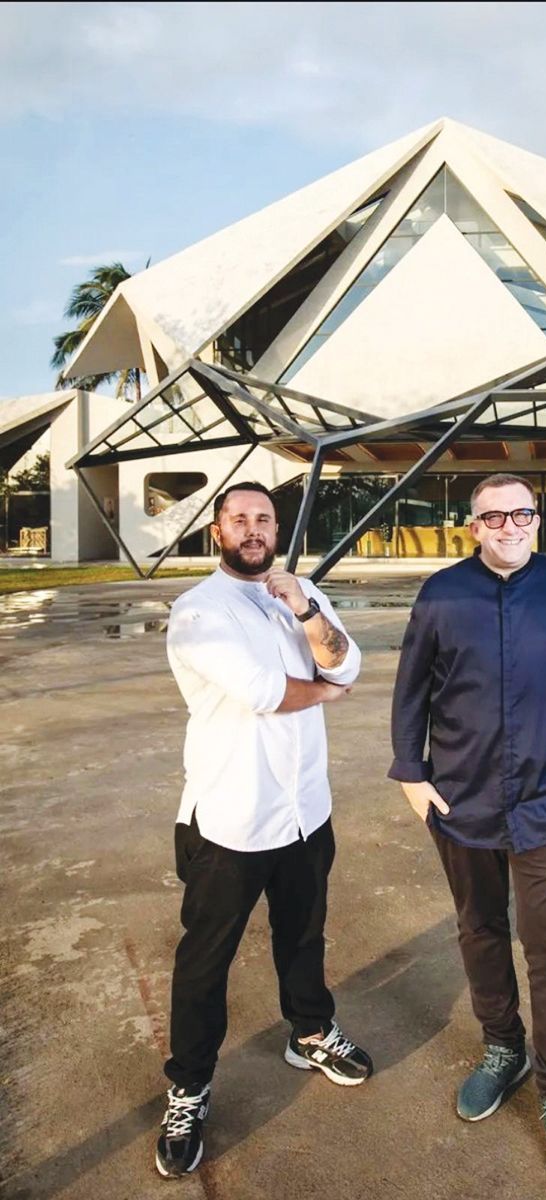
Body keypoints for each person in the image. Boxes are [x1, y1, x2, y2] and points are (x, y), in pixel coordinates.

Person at [389, 473, 546, 1196]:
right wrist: (411, 773)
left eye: (523, 513)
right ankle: (502, 1048)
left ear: (537, 520)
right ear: (473, 526)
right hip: (463, 802)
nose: (510, 525)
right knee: (480, 930)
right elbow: (411, 688)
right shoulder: (441, 594)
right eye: (495, 516)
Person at [155, 481, 372, 1179]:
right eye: (239, 519)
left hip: (305, 809)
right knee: (205, 962)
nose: (253, 529)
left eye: (264, 519)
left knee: (304, 933)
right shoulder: (198, 610)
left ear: (277, 530)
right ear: (217, 531)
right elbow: (264, 692)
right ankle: (189, 1087)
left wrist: (305, 609)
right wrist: (328, 689)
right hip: (231, 820)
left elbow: (349, 659)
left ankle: (309, 1030)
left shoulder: (299, 594)